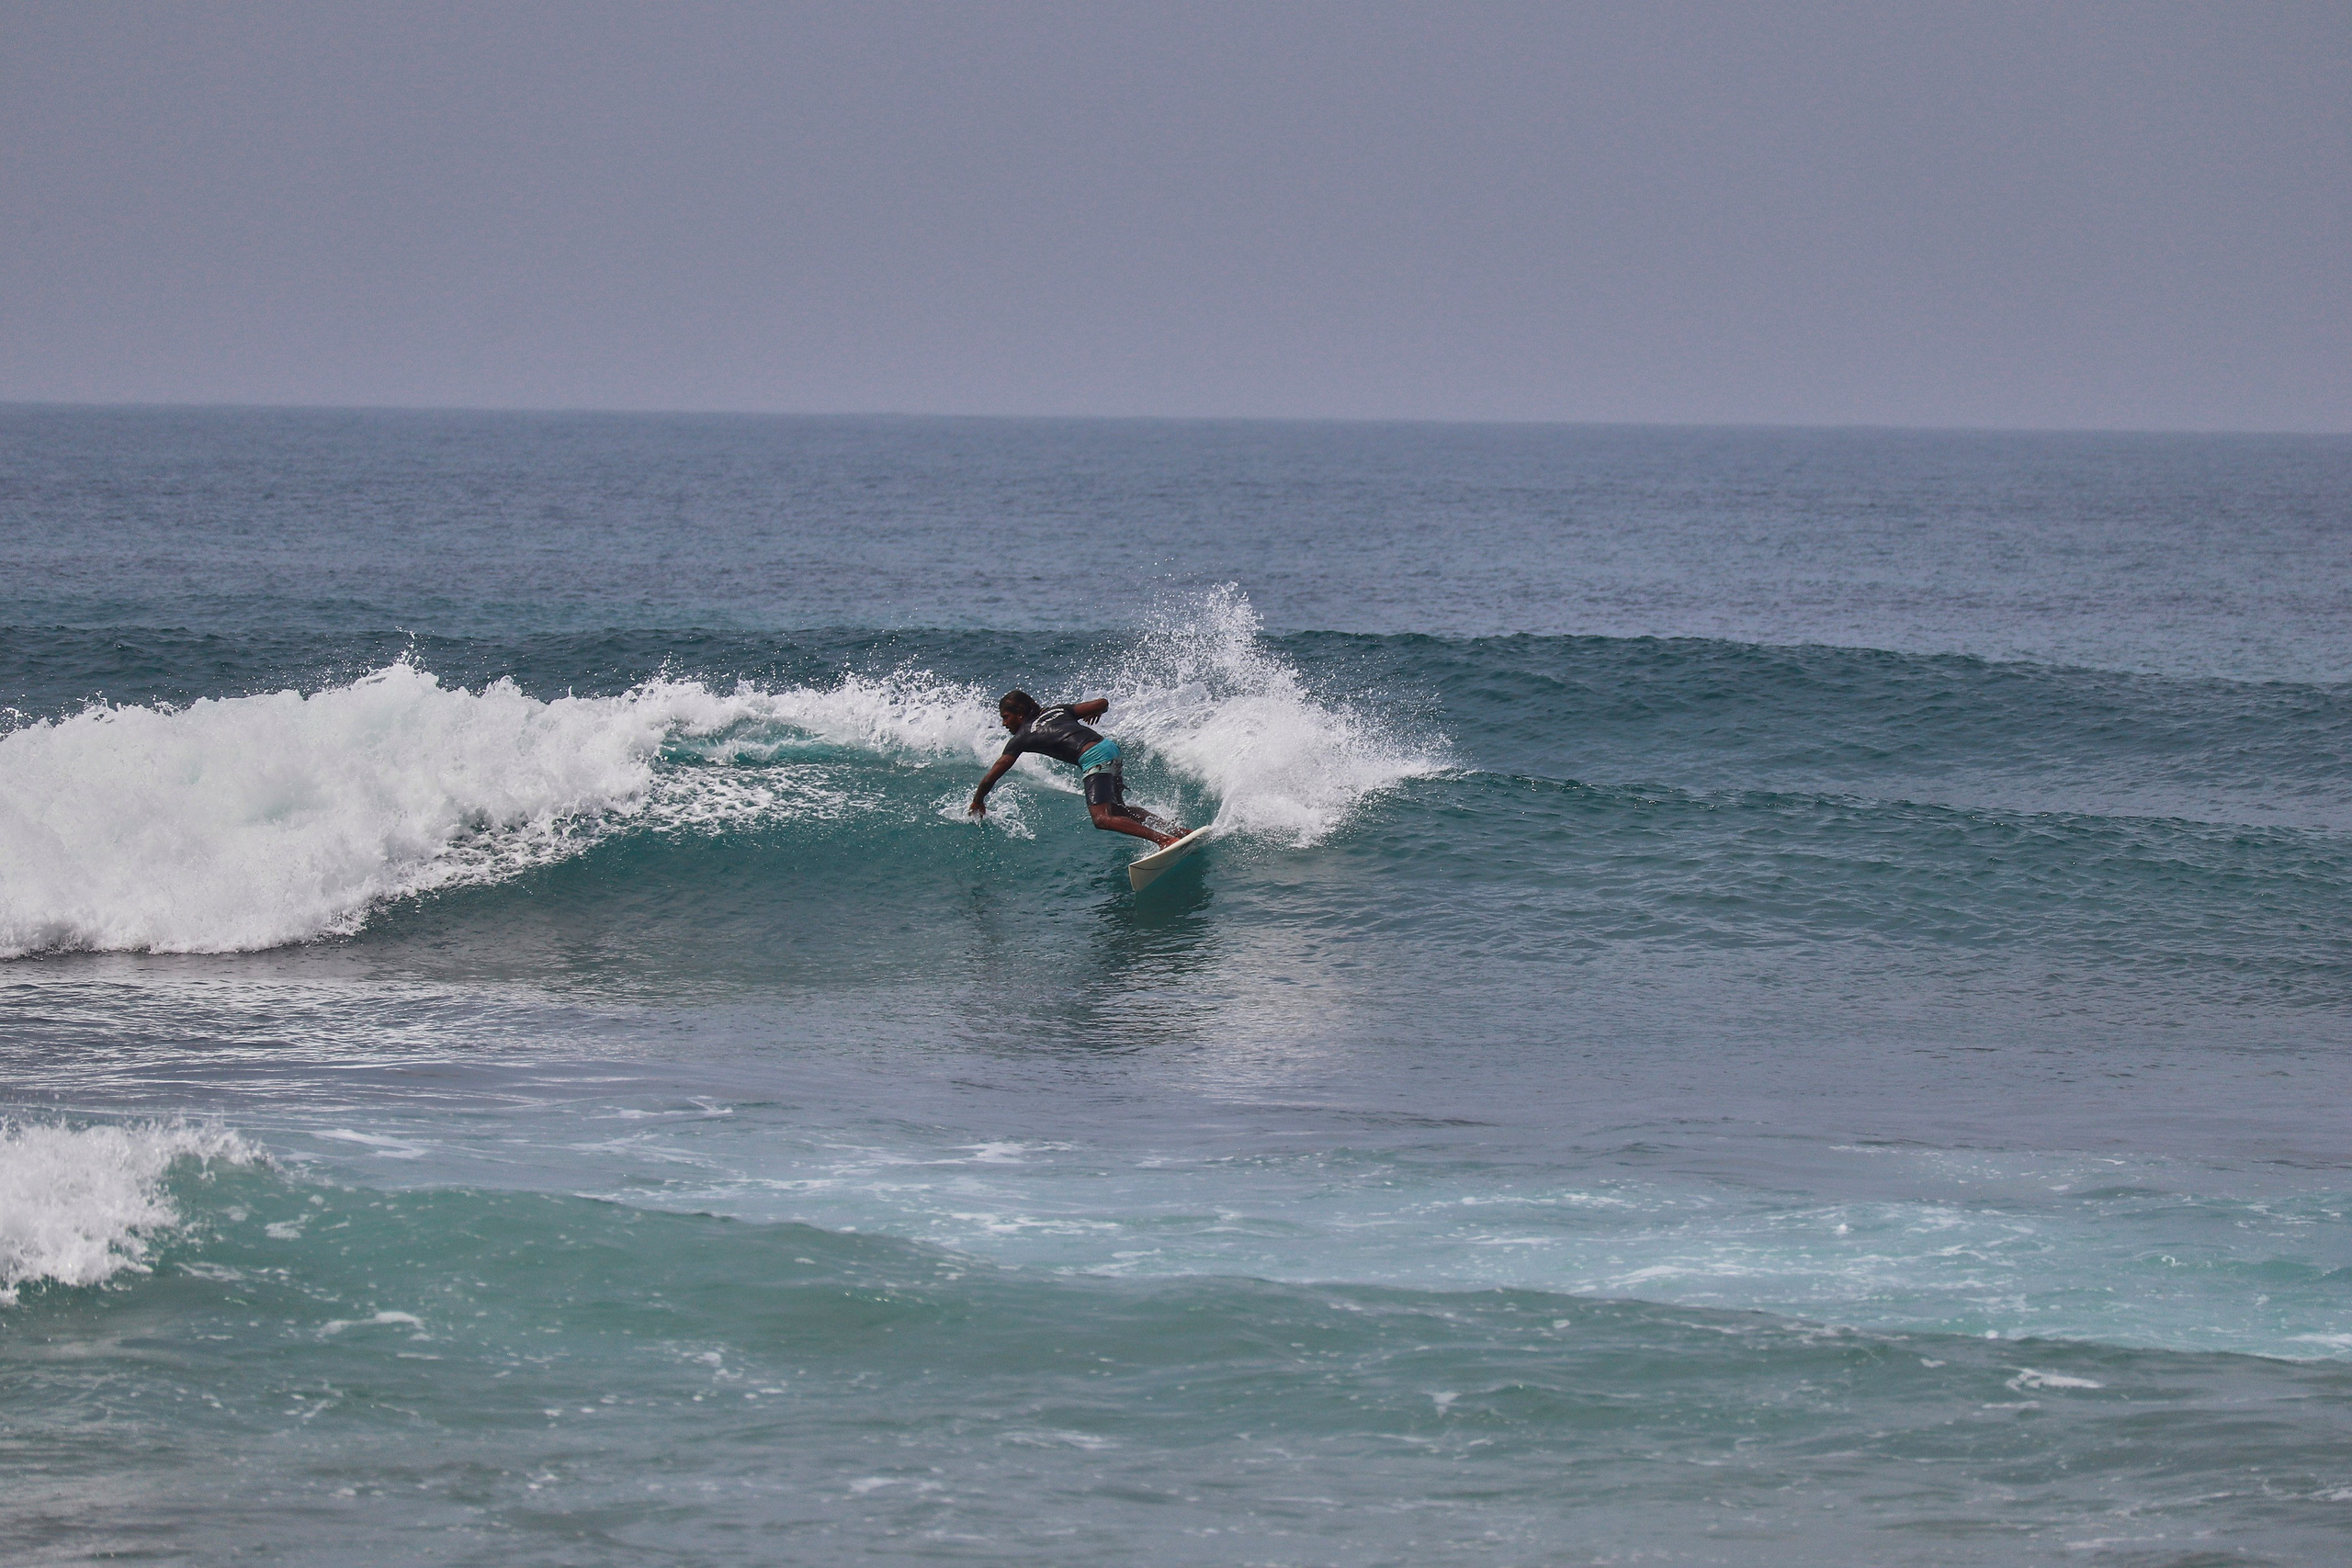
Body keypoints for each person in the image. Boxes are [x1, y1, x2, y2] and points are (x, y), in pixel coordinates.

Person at [967, 691, 1189, 848]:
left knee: (1102, 818)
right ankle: (1178, 832)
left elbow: (991, 777)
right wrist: (1098, 711)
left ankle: (1165, 840)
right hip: (1110, 748)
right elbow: (1102, 702)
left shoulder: (1022, 737)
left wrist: (978, 800)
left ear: (1020, 713)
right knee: (1119, 811)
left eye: (1006, 717)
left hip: (1093, 756)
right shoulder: (1057, 711)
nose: (1004, 724)